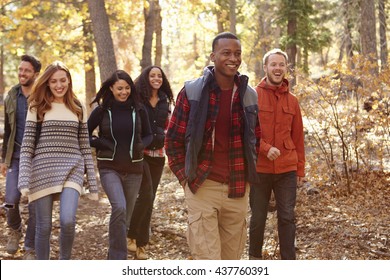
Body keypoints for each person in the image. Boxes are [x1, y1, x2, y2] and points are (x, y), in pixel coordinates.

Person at [165, 32, 260, 260]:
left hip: (237, 189)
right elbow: (173, 140)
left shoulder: (249, 95)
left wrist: (248, 179)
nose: (233, 58)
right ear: (213, 56)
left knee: (231, 262)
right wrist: (185, 178)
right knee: (207, 262)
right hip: (202, 186)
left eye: (237, 53)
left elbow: (255, 139)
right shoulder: (192, 92)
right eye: (226, 53)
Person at [17, 61, 98, 260]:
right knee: (43, 226)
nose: (59, 85)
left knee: (68, 220)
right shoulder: (37, 106)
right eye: (53, 81)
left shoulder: (77, 107)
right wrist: (23, 179)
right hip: (43, 169)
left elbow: (84, 146)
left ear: (69, 81)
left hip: (73, 167)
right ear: (47, 83)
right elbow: (27, 146)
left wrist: (93, 185)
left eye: (63, 80)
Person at [88, 70, 152, 260]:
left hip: (134, 169)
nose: (124, 92)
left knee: (125, 216)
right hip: (109, 168)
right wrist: (99, 142)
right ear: (111, 88)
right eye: (119, 89)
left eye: (127, 88)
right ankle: (118, 258)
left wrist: (142, 145)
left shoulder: (139, 110)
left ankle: (113, 254)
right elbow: (83, 134)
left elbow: (149, 134)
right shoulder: (101, 110)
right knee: (120, 208)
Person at [249, 48, 305, 260]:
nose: (278, 68)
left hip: (287, 168)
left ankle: (288, 263)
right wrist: (265, 148)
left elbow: (298, 137)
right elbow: (247, 132)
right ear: (265, 68)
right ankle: (254, 260)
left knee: (287, 217)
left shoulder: (293, 100)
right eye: (273, 64)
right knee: (258, 218)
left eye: (281, 64)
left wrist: (300, 169)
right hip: (260, 168)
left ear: (286, 68)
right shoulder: (252, 95)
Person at [127, 66, 174, 260]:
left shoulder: (165, 100)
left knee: (150, 198)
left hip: (158, 155)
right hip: (142, 154)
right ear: (146, 78)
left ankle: (141, 245)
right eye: (152, 75)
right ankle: (130, 235)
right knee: (146, 193)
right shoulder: (138, 99)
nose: (156, 78)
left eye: (159, 76)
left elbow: (168, 125)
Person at [1, 54, 41, 260]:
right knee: (10, 200)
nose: (22, 73)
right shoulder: (12, 95)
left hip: (38, 157)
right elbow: (8, 130)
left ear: (35, 73)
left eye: (26, 70)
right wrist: (4, 160)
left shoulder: (43, 95)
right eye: (20, 69)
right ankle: (15, 229)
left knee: (35, 203)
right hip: (16, 155)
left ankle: (30, 247)